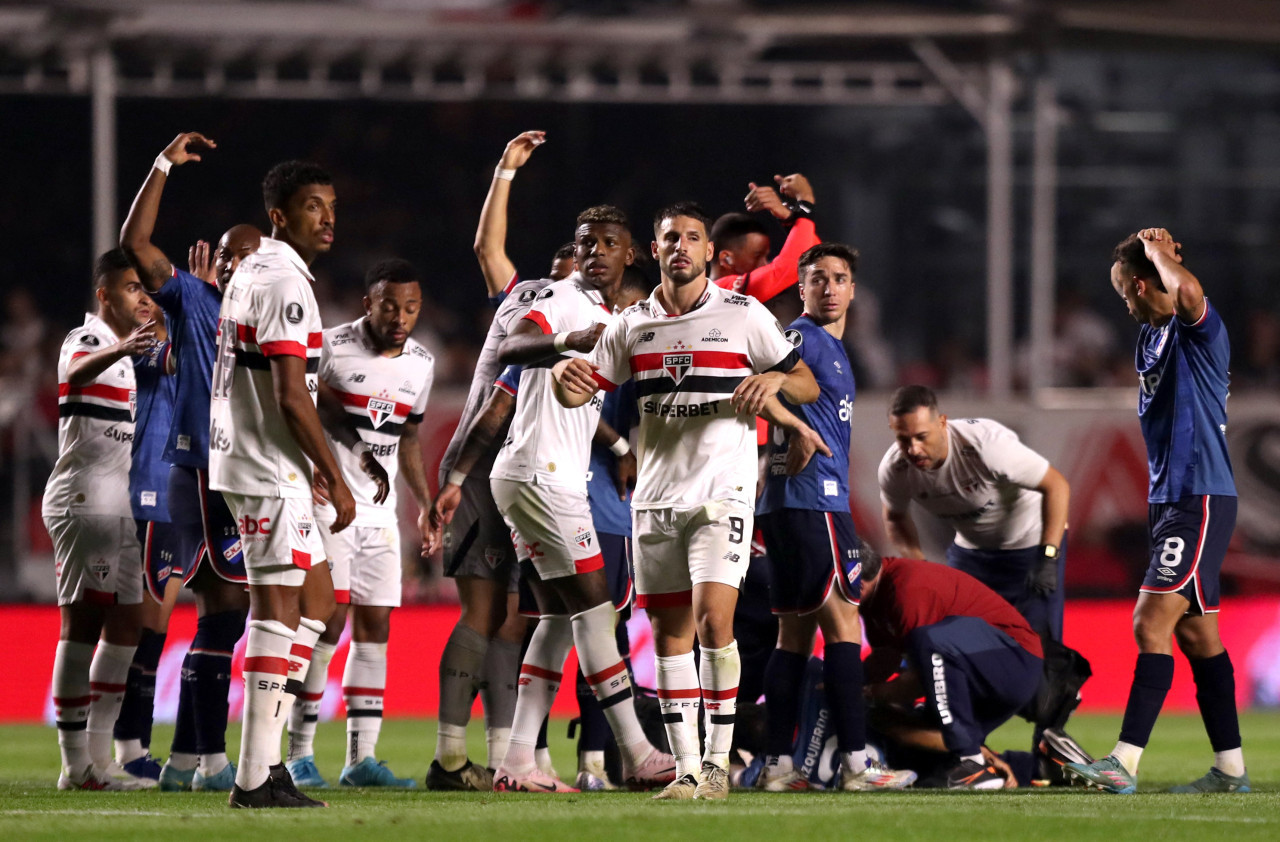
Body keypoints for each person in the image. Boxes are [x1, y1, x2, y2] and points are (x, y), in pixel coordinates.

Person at [552, 201, 820, 800]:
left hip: (720, 496)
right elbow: (583, 387)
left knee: (712, 622)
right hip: (655, 500)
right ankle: (688, 769)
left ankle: (718, 768)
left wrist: (775, 379)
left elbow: (806, 382)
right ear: (656, 249)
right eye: (670, 237)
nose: (681, 247)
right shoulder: (632, 326)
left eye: (692, 238)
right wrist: (562, 383)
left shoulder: (743, 314)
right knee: (670, 636)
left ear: (706, 252)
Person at [480, 205, 675, 793]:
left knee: (560, 621)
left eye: (608, 243)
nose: (594, 251)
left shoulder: (611, 317)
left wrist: (618, 444)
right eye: (586, 241)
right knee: (596, 612)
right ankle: (636, 751)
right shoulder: (565, 300)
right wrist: (565, 341)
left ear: (630, 253)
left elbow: (586, 399)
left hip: (546, 476)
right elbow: (512, 345)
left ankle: (517, 760)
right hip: (541, 477)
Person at [1067, 229, 1248, 794]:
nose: (1124, 303)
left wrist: (1165, 257)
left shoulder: (1200, 333)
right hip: (1170, 501)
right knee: (1199, 639)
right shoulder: (1152, 338)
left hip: (1200, 495)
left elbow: (1190, 294)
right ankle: (1231, 770)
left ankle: (1123, 761)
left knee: (1150, 620)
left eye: (1124, 291)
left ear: (1143, 285)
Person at [209, 159, 354, 808]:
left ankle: (267, 762)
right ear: (279, 216)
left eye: (330, 205)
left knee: (319, 603)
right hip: (267, 469)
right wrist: (334, 472)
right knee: (277, 610)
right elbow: (292, 395)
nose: (327, 217)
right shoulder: (281, 283)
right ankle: (255, 777)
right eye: (312, 206)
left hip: (263, 463)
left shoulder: (255, 273)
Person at [119, 132, 256, 793]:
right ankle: (141, 750)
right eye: (227, 255)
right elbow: (138, 246)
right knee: (192, 607)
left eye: (246, 256)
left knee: (225, 615)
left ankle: (191, 761)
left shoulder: (277, 313)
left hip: (241, 478)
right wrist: (163, 165)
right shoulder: (195, 301)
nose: (233, 264)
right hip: (196, 473)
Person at [428, 133, 562, 791]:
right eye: (571, 256)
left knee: (514, 617)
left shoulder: (547, 301)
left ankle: (506, 759)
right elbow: (487, 248)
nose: (577, 264)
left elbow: (487, 251)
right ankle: (449, 760)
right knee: (484, 613)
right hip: (483, 466)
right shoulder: (535, 299)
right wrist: (504, 171)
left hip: (520, 471)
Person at [755, 243, 915, 793]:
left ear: (852, 290)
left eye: (838, 278)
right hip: (812, 498)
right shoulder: (803, 338)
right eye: (817, 278)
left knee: (793, 634)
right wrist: (793, 435)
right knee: (843, 626)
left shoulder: (832, 347)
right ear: (802, 289)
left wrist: (782, 441)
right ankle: (856, 765)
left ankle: (777, 766)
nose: (828, 287)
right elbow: (767, 382)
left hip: (788, 503)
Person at [284, 258, 436, 789]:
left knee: (376, 629)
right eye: (390, 304)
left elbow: (410, 438)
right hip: (328, 504)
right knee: (326, 623)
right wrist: (312, 473)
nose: (400, 316)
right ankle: (298, 754)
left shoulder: (421, 363)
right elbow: (300, 408)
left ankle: (359, 759)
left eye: (411, 307)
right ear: (368, 302)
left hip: (381, 514)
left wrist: (423, 500)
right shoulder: (327, 346)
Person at [43, 248, 157, 790]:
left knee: (128, 622)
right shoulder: (86, 339)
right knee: (83, 622)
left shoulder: (130, 357)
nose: (140, 295)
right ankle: (74, 765)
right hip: (84, 497)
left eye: (143, 288)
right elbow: (74, 372)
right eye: (130, 287)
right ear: (104, 294)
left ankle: (99, 759)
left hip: (117, 504)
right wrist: (120, 349)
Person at [858, 546, 1044, 789]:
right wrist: (846, 682)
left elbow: (922, 676)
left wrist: (870, 694)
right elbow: (885, 659)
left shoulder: (907, 590)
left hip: (1013, 660)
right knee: (916, 760)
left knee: (930, 643)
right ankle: (1041, 766)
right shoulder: (877, 597)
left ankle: (973, 763)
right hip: (970, 670)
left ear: (857, 582)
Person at [110, 311, 178, 784]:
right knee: (143, 629)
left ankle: (136, 745)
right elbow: (178, 360)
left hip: (179, 499)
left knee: (154, 630)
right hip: (150, 494)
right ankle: (127, 747)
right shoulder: (146, 346)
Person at [710, 174, 820, 301]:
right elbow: (787, 268)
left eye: (765, 256)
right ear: (726, 259)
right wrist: (805, 203)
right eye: (757, 255)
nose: (764, 264)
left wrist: (789, 219)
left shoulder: (745, 297)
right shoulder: (719, 292)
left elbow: (816, 260)